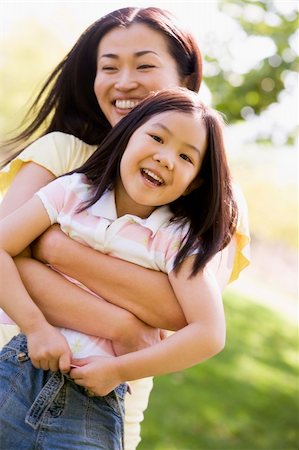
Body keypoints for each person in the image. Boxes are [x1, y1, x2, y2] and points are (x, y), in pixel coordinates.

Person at [0, 6, 250, 449]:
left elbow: (175, 314)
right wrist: (120, 325)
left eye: (145, 65)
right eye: (109, 67)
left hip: (100, 402)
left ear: (188, 79)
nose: (124, 82)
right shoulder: (66, 165)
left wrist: (51, 247)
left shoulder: (204, 214)